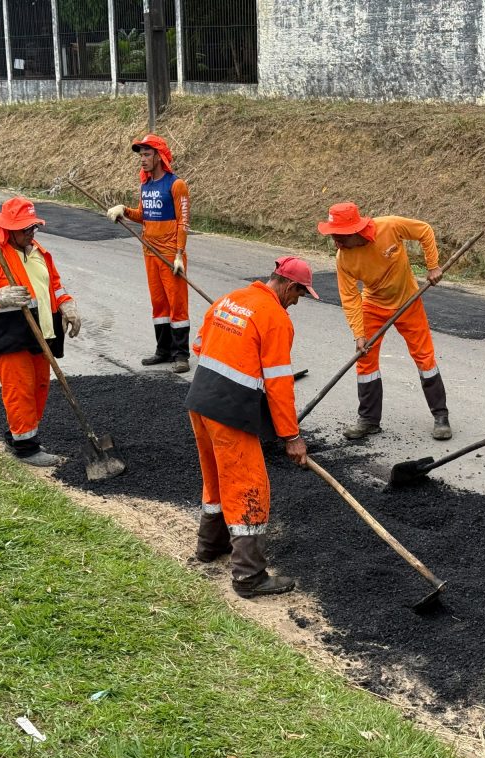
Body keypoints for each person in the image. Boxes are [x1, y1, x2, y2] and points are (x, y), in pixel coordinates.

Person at [184, 256, 316, 598]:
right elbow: (279, 385)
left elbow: (199, 345)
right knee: (248, 486)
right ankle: (249, 576)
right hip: (229, 413)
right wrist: (291, 437)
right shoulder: (276, 319)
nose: (297, 302)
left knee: (216, 477)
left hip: (200, 400)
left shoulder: (230, 299)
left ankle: (209, 546)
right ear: (290, 286)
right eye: (299, 294)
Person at [318, 201, 451, 441]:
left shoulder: (389, 227)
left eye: (339, 235)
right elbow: (350, 298)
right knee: (365, 359)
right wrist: (359, 334)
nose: (335, 241)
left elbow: (424, 231)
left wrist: (433, 266)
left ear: (355, 231)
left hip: (408, 301)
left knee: (425, 357)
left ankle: (441, 416)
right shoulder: (343, 258)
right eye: (333, 235)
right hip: (373, 305)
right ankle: (369, 420)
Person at [0, 197, 82, 467]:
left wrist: (67, 305)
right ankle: (26, 449)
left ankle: (18, 435)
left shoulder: (39, 252)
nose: (31, 233)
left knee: (39, 387)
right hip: (9, 335)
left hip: (41, 333)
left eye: (33, 227)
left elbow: (55, 286)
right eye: (25, 228)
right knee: (20, 390)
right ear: (9, 230)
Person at [107, 134, 191, 373]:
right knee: (159, 304)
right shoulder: (146, 184)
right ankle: (163, 351)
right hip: (150, 253)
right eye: (141, 155)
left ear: (159, 156)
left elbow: (183, 222)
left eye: (147, 154)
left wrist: (179, 254)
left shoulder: (176, 184)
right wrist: (124, 210)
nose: (142, 159)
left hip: (170, 255)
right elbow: (143, 215)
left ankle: (181, 355)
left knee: (177, 304)